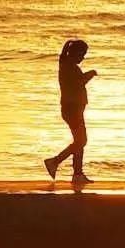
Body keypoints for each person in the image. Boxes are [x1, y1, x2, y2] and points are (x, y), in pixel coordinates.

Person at [44, 39, 96, 184]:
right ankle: (54, 161)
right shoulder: (69, 67)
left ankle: (77, 174)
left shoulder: (68, 65)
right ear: (76, 53)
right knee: (81, 140)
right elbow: (79, 82)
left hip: (73, 108)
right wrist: (91, 74)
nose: (83, 57)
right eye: (82, 54)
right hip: (72, 109)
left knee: (79, 141)